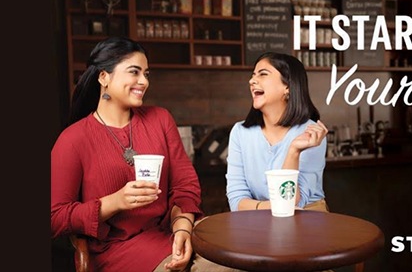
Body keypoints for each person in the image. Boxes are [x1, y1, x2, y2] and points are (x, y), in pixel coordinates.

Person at [51, 37, 237, 272]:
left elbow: (185, 185)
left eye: (146, 74)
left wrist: (182, 227)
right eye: (134, 72)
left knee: (237, 259)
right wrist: (114, 202)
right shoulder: (73, 139)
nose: (144, 81)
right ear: (103, 77)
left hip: (174, 231)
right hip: (120, 250)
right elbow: (55, 218)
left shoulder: (160, 119)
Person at [226, 52, 329, 212]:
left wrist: (293, 151)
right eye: (253, 75)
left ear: (287, 86)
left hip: (308, 220)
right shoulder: (240, 132)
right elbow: (236, 200)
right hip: (256, 221)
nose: (252, 81)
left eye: (263, 74)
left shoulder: (310, 133)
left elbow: (293, 202)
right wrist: (270, 207)